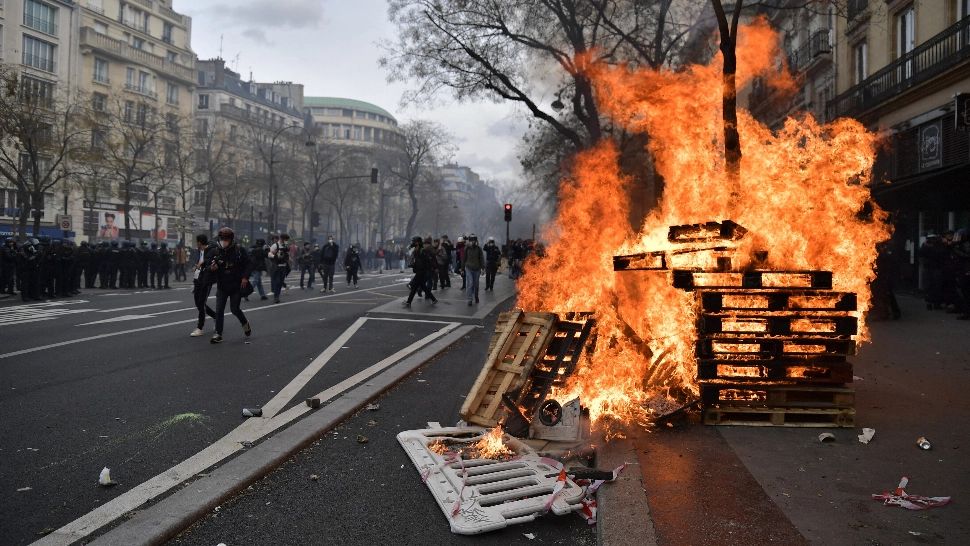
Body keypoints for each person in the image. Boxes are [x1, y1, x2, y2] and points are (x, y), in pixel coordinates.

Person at [207, 227, 253, 344]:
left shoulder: (239, 250)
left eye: (226, 239)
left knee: (234, 309)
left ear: (231, 239)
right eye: (222, 239)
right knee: (219, 310)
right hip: (222, 285)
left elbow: (249, 264)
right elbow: (208, 265)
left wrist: (245, 277)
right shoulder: (216, 251)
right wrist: (212, 268)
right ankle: (218, 334)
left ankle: (244, 323)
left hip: (236, 285)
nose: (224, 241)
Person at [190, 234, 218, 337]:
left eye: (196, 242)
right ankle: (216, 316)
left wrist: (202, 265)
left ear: (199, 242)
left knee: (201, 303)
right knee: (198, 303)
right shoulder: (199, 251)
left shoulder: (211, 250)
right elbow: (199, 263)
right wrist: (196, 268)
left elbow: (210, 264)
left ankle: (200, 328)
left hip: (206, 280)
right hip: (198, 278)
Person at [404, 236, 437, 307]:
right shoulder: (416, 250)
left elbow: (426, 262)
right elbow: (415, 260)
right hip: (419, 271)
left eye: (414, 242)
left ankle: (408, 302)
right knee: (423, 286)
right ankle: (433, 299)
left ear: (418, 243)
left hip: (422, 271)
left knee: (414, 286)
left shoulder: (422, 250)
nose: (412, 243)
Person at [268, 233, 291, 303]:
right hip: (277, 266)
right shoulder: (275, 245)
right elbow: (269, 253)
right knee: (277, 282)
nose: (285, 241)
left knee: (281, 283)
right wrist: (274, 256)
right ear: (281, 239)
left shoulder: (285, 245)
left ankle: (277, 296)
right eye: (285, 239)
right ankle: (276, 297)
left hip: (284, 266)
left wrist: (289, 258)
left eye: (286, 240)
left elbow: (287, 254)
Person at [462, 234, 484, 306]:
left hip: (477, 269)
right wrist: (462, 269)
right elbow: (464, 259)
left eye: (474, 240)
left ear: (476, 241)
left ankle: (476, 296)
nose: (473, 242)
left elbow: (481, 258)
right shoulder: (467, 249)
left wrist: (483, 268)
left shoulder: (479, 249)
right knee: (470, 283)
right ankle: (469, 299)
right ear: (469, 241)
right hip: (468, 268)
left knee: (476, 284)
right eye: (471, 240)